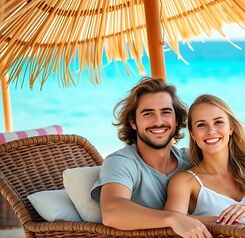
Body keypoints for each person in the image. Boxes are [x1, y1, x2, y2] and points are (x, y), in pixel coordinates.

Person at [90, 77, 212, 238]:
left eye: (166, 112)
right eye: (148, 114)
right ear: (133, 122)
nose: (158, 121)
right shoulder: (121, 161)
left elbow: (241, 164)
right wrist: (173, 219)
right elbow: (112, 211)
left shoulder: (191, 159)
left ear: (176, 120)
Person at [165, 94, 245, 225]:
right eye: (202, 125)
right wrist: (227, 222)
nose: (211, 130)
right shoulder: (186, 182)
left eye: (218, 122)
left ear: (231, 128)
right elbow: (172, 222)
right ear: (193, 135)